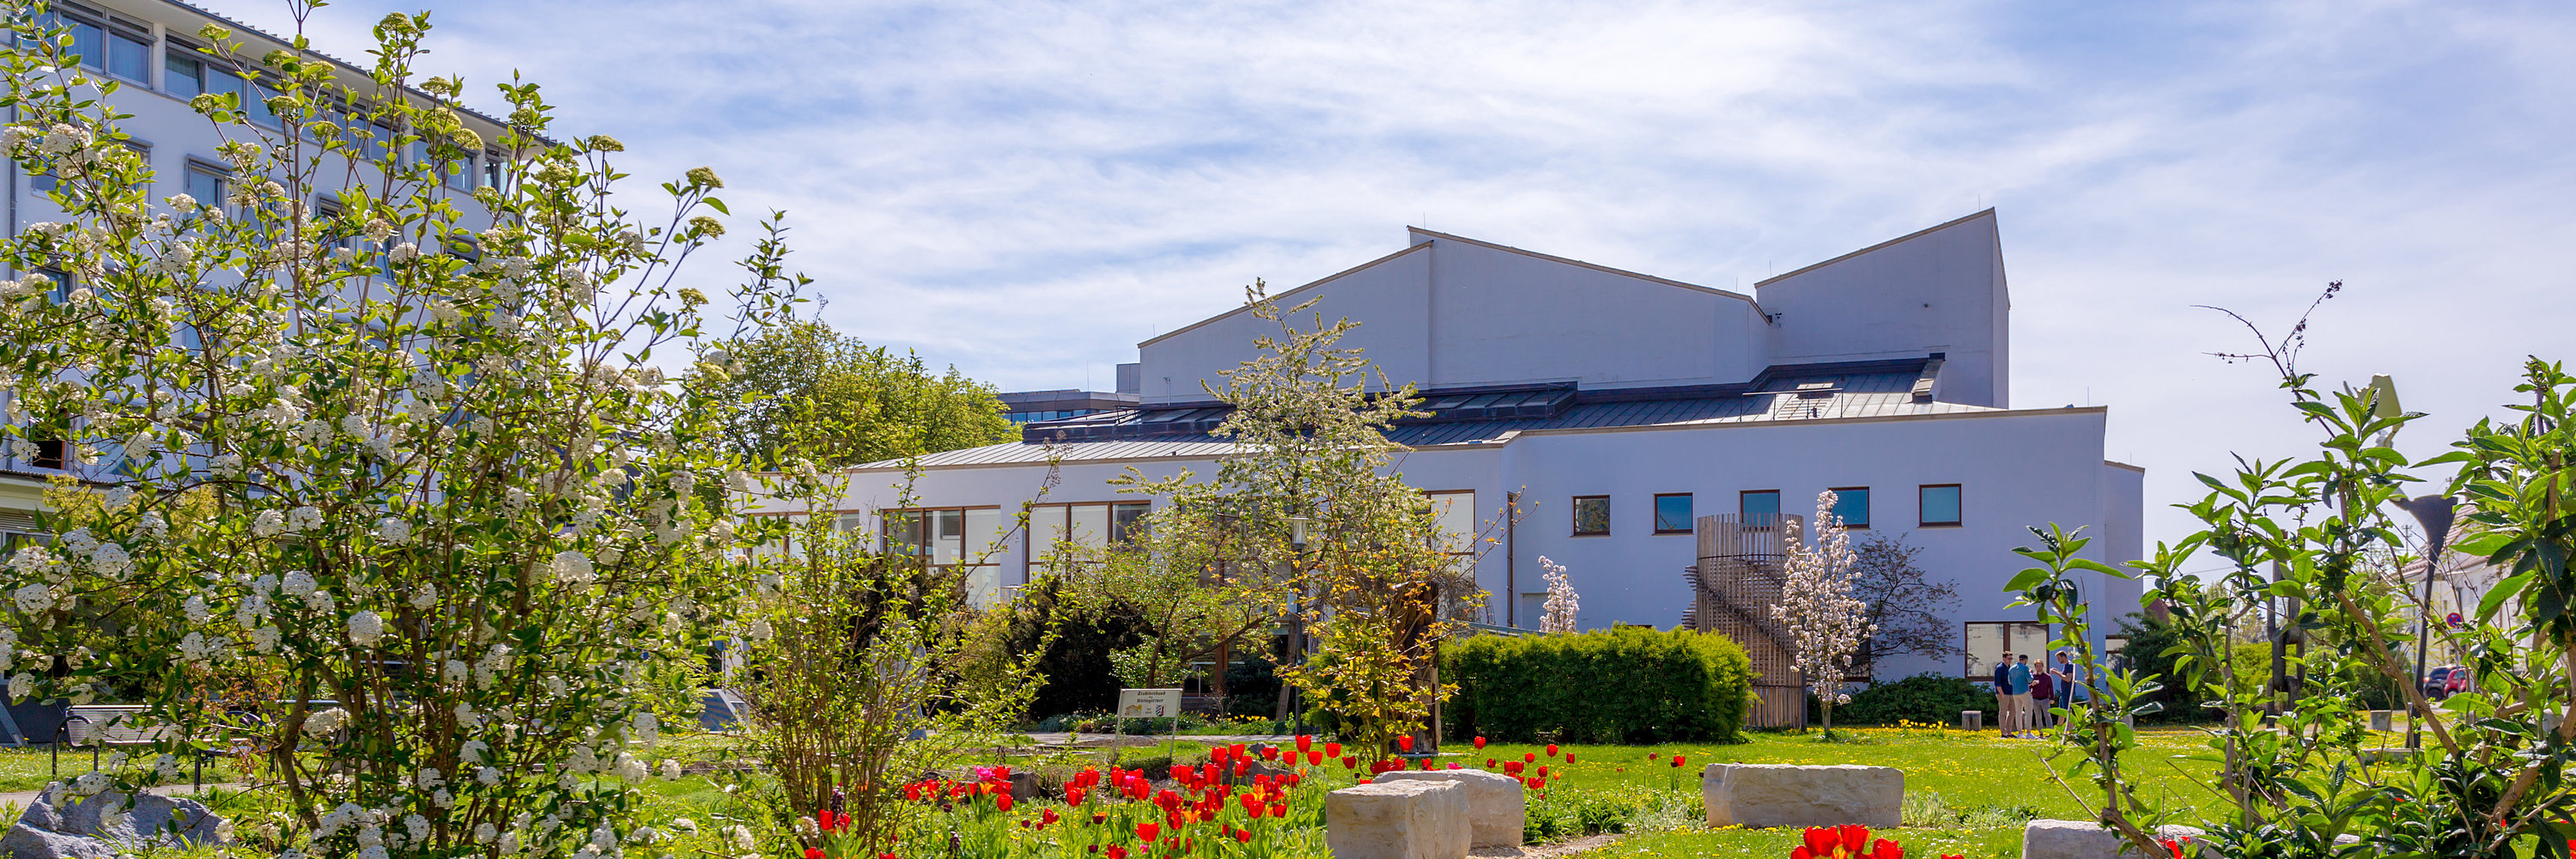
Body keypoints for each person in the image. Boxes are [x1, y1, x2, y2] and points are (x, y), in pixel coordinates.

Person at [2008, 655, 2035, 737]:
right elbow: (2030, 680)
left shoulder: (2011, 669)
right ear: (2025, 660)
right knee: (2028, 712)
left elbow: (2010, 682)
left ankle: (2020, 733)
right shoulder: (2025, 668)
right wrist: (2031, 674)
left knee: (2018, 713)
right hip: (2024, 691)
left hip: (2015, 693)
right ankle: (2029, 733)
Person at [2028, 655, 2055, 732]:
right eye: (2037, 666)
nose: (2039, 667)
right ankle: (2041, 732)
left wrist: (2052, 698)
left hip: (2045, 699)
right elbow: (2028, 687)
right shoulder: (2033, 676)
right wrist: (2032, 685)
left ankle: (2051, 732)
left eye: (2040, 666)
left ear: (2043, 666)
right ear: (2035, 667)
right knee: (2038, 716)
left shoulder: (2047, 677)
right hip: (2035, 699)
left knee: (2048, 716)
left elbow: (2051, 688)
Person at [1993, 651, 2015, 736]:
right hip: (2002, 694)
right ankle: (2003, 732)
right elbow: (1997, 683)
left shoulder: (2010, 668)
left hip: (2011, 693)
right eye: (2008, 658)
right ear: (2004, 658)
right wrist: (2002, 695)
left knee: (2013, 712)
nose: (2010, 660)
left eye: (2011, 659)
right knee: (2003, 713)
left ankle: (2009, 731)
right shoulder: (1999, 668)